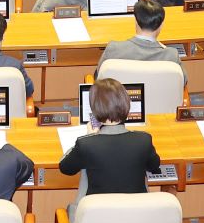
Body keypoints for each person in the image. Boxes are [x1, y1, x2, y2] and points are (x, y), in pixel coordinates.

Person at [59, 77, 161, 207]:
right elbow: (154, 166)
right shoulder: (144, 140)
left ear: (95, 109)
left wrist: (89, 136)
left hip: (96, 218)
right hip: (136, 216)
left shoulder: (86, 144)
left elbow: (65, 168)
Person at [97, 0, 181, 72]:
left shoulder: (113, 49)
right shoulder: (172, 55)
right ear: (162, 25)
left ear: (136, 21)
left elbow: (99, 77)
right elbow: (181, 81)